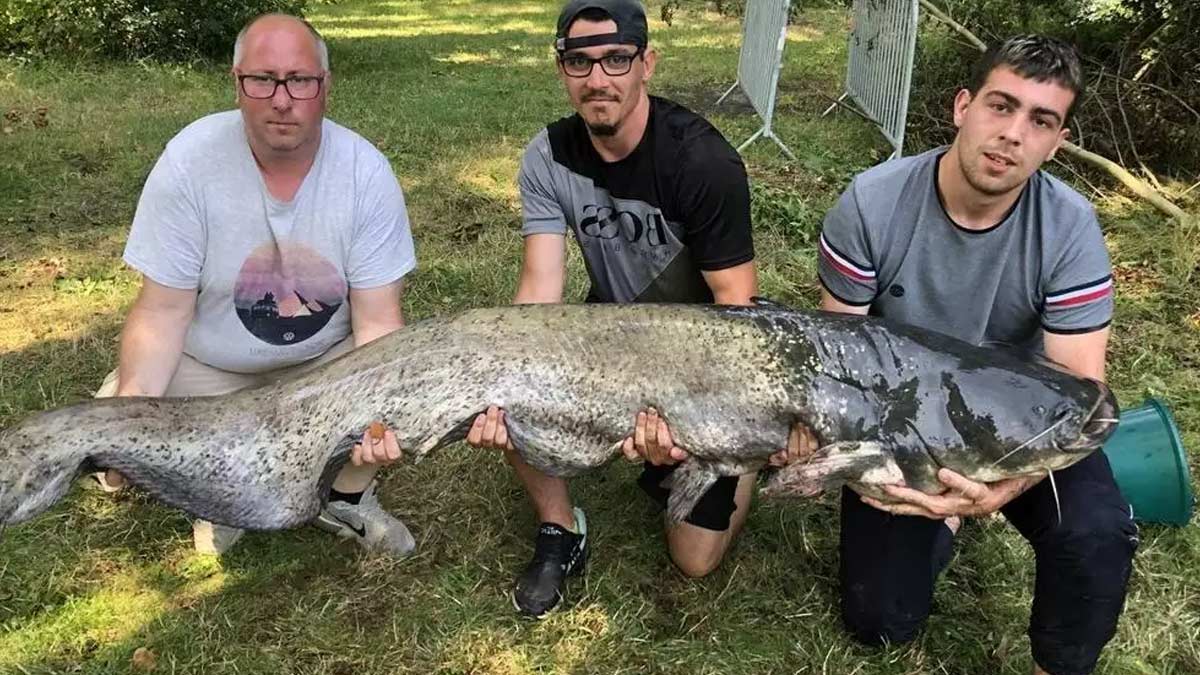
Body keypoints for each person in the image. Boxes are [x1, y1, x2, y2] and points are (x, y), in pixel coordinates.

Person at [465, 0, 801, 618]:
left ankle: (740, 461)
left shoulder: (703, 162)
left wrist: (698, 422)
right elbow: (539, 289)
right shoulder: (548, 155)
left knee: (694, 560)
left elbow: (736, 307)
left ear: (647, 63)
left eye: (616, 59)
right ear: (562, 69)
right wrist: (504, 380)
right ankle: (560, 529)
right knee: (506, 373)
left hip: (701, 353)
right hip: (608, 329)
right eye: (580, 62)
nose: (598, 79)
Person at [814, 35, 1138, 675]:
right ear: (963, 107)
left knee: (1097, 533)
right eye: (1001, 106)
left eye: (1039, 121)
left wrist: (1001, 486)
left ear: (1057, 141)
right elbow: (836, 364)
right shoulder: (872, 203)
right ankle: (941, 528)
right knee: (879, 622)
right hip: (898, 419)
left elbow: (1080, 392)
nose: (1012, 134)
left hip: (1016, 421)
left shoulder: (1070, 229)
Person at [91, 13, 418, 557]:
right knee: (123, 416)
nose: (282, 99)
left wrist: (379, 417)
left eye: (300, 80)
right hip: (211, 366)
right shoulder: (189, 162)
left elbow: (380, 324)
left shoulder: (366, 173)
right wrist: (132, 406)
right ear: (237, 83)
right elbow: (162, 312)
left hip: (321, 368)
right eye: (262, 80)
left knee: (403, 377)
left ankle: (346, 496)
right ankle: (222, 494)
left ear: (325, 87)